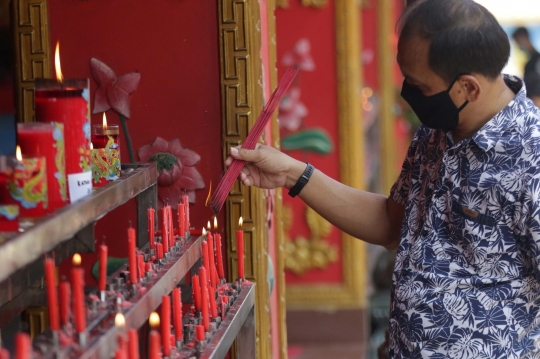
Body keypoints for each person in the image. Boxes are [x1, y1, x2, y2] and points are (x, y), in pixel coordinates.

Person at [226, 0, 540, 357]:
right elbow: (392, 223)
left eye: (419, 87)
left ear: (467, 87)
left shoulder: (531, 158)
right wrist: (292, 173)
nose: (408, 95)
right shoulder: (438, 130)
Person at [512, 27, 540, 107]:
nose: (519, 46)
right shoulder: (529, 62)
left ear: (523, 38)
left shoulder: (537, 60)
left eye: (518, 42)